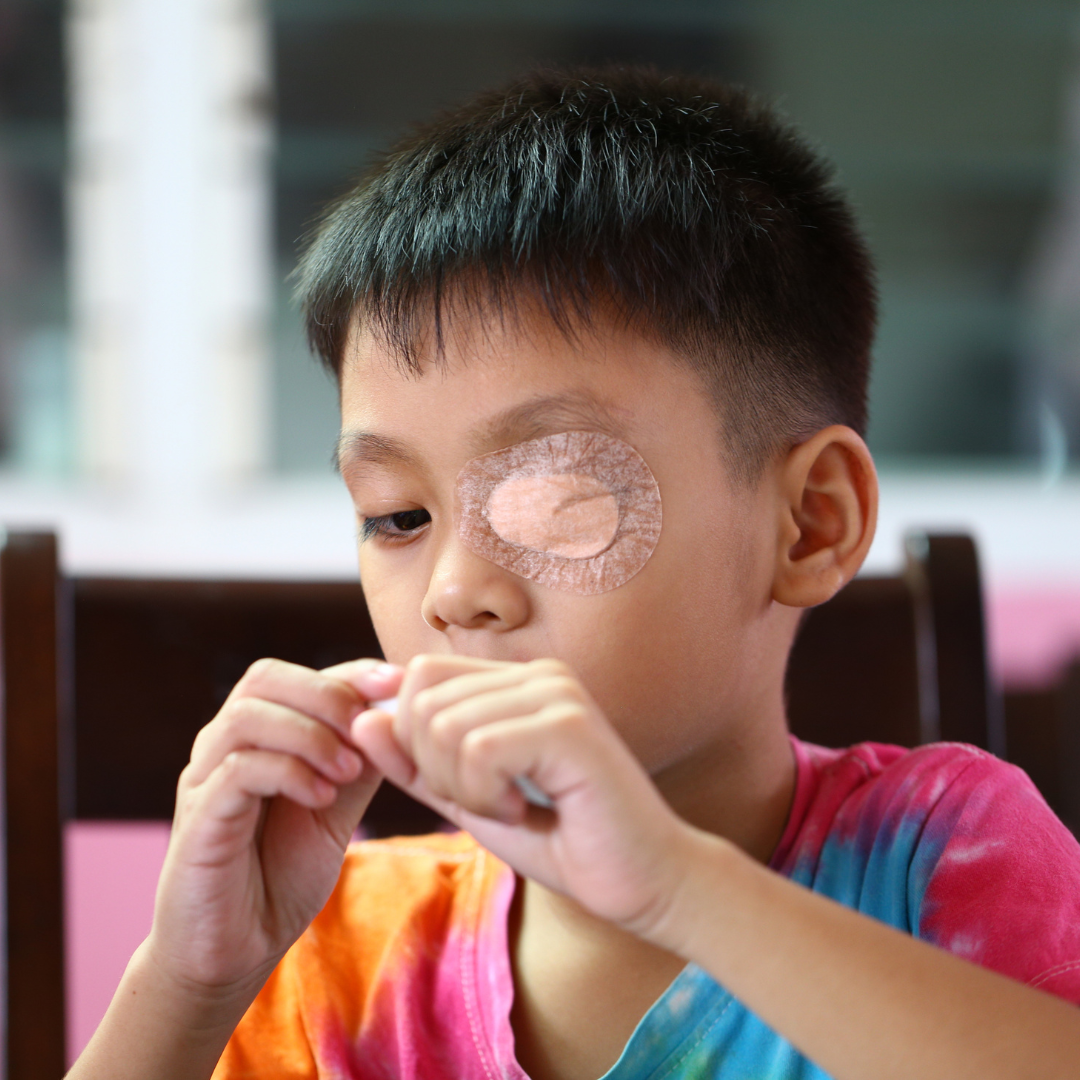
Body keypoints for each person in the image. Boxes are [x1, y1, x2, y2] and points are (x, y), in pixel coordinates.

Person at [68, 67, 1080, 1080]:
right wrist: (189, 985)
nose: (453, 591)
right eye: (398, 516)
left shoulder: (941, 854)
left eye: (556, 499)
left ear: (810, 525)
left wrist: (681, 888)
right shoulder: (337, 950)